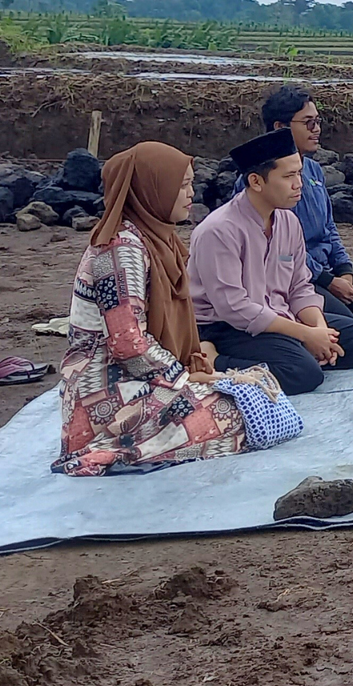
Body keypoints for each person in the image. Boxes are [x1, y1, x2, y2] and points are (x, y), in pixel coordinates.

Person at [54, 142, 249, 476]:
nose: (191, 192)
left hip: (146, 377)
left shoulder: (160, 240)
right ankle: (103, 452)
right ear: (152, 188)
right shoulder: (120, 252)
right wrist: (186, 378)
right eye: (183, 185)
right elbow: (129, 345)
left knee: (249, 397)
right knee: (232, 412)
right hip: (105, 388)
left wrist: (191, 375)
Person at [191, 129, 353, 394]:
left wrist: (320, 330)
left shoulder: (288, 221)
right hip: (227, 327)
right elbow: (234, 308)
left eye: (299, 174)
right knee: (304, 374)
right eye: (289, 176)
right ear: (256, 181)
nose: (298, 184)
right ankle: (215, 361)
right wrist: (304, 335)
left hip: (279, 316)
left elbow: (300, 287)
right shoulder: (219, 231)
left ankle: (297, 352)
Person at [236, 85, 353, 329]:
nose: (317, 129)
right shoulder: (260, 182)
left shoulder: (313, 170)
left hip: (325, 269)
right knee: (349, 325)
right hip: (290, 274)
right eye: (308, 123)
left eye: (318, 121)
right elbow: (277, 249)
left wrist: (344, 270)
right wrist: (328, 280)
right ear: (281, 128)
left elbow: (328, 227)